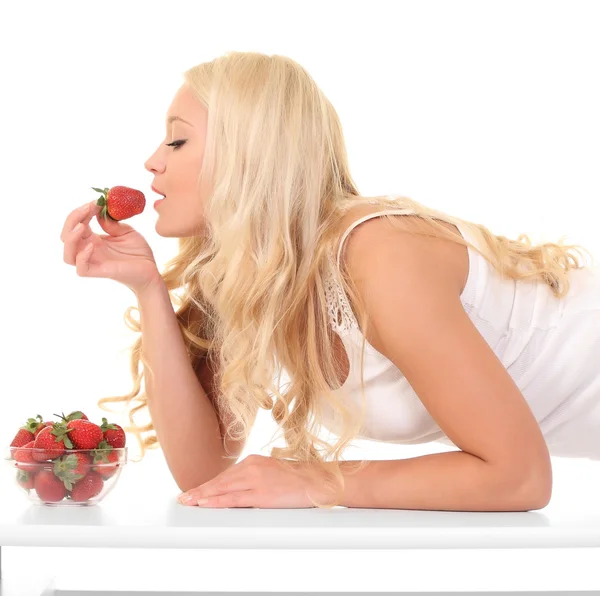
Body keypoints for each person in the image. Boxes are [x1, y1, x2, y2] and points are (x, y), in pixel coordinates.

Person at [60, 51, 599, 511]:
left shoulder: (379, 253)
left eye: (177, 142)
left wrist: (314, 479)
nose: (152, 162)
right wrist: (148, 288)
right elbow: (206, 478)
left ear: (252, 156)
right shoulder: (255, 277)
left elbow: (521, 477)